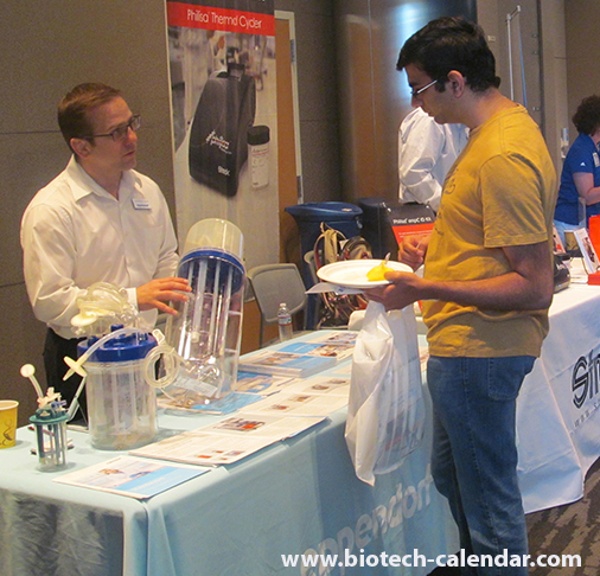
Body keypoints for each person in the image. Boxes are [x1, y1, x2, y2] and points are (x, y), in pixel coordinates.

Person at [367, 17, 557, 575]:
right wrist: (441, 248)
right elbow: (493, 241)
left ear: (454, 81)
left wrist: (425, 286)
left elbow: (534, 285)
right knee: (454, 476)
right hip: (466, 347)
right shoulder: (494, 134)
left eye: (420, 88)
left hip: (482, 351)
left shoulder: (502, 154)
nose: (416, 103)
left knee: (490, 502)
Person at [21, 83, 190, 417]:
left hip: (146, 349)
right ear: (81, 146)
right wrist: (132, 299)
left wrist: (178, 289)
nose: (132, 138)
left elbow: (165, 256)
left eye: (131, 124)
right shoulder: (52, 210)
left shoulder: (147, 190)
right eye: (116, 132)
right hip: (84, 360)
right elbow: (50, 301)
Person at [398, 105, 468, 212]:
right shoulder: (429, 118)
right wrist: (448, 206)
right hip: (426, 209)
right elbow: (413, 173)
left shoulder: (463, 122)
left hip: (449, 208)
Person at [554, 94, 600, 244]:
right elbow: (586, 196)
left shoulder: (594, 148)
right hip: (572, 225)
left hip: (587, 223)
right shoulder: (581, 150)